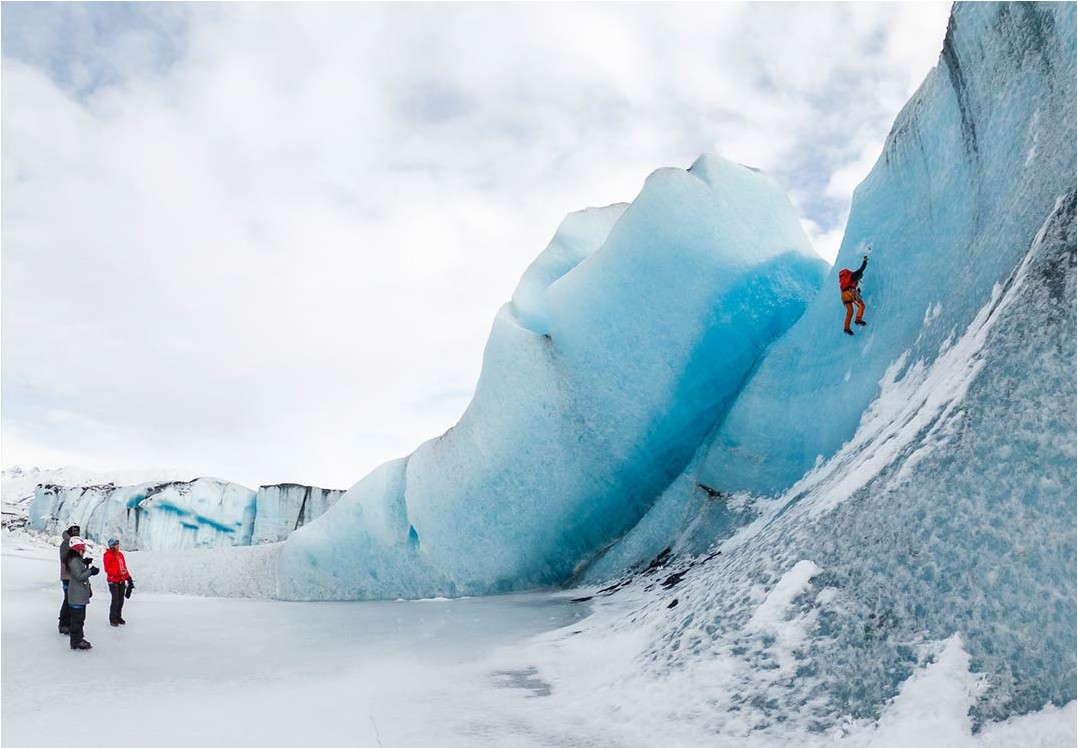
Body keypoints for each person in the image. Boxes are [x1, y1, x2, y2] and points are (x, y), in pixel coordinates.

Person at [65, 536, 100, 651]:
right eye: (82, 549)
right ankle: (76, 641)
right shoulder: (74, 560)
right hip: (77, 595)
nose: (83, 551)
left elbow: (79, 572)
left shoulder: (76, 560)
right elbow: (79, 576)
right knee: (77, 619)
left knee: (80, 618)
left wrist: (85, 563)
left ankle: (79, 638)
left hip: (79, 595)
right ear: (76, 549)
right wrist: (91, 571)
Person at [103, 538, 133, 626]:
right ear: (111, 545)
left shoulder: (120, 555)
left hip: (121, 580)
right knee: (115, 600)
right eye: (115, 544)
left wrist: (128, 578)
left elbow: (124, 567)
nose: (117, 546)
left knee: (121, 600)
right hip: (113, 581)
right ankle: (113, 618)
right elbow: (107, 569)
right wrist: (118, 572)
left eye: (118, 544)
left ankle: (118, 616)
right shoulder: (107, 555)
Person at [58, 524, 81, 635]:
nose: (77, 534)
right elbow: (65, 559)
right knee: (68, 599)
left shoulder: (75, 543)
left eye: (78, 532)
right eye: (75, 532)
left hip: (73, 576)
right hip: (67, 576)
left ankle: (69, 623)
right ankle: (63, 624)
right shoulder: (66, 544)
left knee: (71, 599)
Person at [839, 254, 869, 335]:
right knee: (861, 305)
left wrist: (857, 292)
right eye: (860, 277)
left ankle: (846, 328)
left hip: (844, 295)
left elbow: (850, 288)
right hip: (850, 292)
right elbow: (861, 269)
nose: (859, 279)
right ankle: (858, 319)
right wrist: (865, 261)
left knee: (850, 311)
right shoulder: (853, 275)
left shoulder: (846, 280)